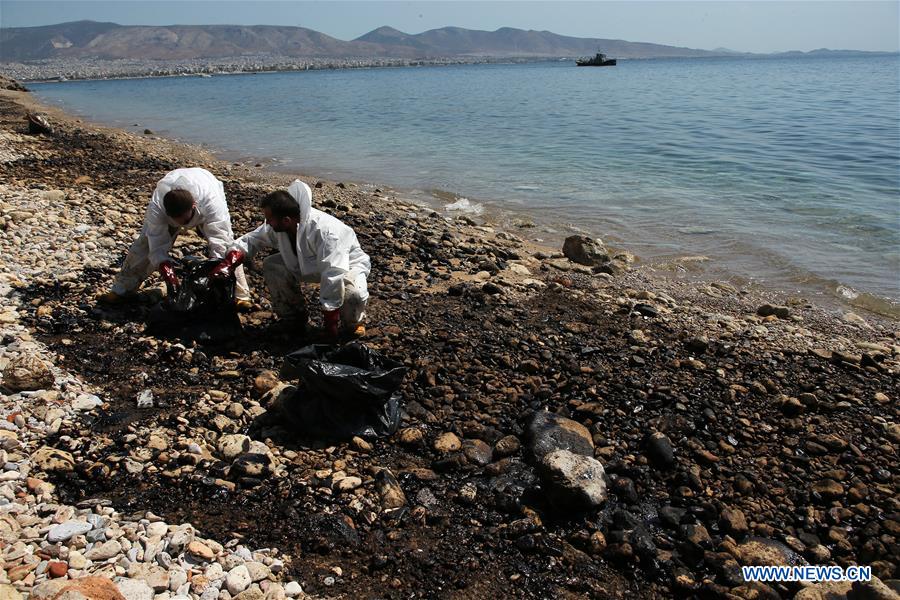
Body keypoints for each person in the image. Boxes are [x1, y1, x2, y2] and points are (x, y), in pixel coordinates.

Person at [209, 179, 370, 338]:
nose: (267, 223)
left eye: (269, 219)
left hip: (347, 265)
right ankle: (293, 318)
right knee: (272, 265)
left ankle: (353, 324)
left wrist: (330, 323)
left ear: (286, 220)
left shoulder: (326, 232)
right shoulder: (280, 226)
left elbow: (333, 273)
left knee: (352, 295)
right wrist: (229, 262)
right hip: (309, 263)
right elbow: (252, 240)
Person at [98, 167, 251, 309]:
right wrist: (168, 274)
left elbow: (221, 243)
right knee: (144, 244)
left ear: (193, 206)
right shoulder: (157, 208)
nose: (181, 226)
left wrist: (216, 275)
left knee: (227, 248)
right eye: (176, 221)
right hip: (174, 205)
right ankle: (121, 289)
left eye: (184, 221)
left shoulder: (212, 203)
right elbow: (156, 245)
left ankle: (241, 296)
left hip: (206, 188)